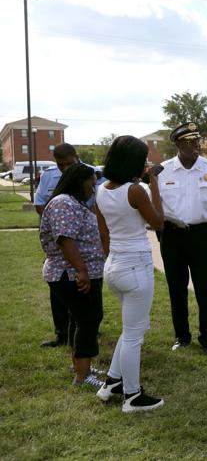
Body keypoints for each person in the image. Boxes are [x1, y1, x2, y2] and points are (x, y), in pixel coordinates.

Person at [95, 136, 166, 412]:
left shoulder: (101, 190)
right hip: (136, 266)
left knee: (131, 330)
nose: (147, 162)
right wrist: (155, 184)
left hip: (115, 264)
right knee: (135, 335)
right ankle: (132, 396)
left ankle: (112, 382)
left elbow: (103, 233)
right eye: (144, 158)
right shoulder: (135, 191)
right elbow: (158, 220)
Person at [158, 122, 207, 354]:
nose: (196, 146)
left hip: (204, 235)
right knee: (176, 288)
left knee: (206, 289)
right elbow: (154, 202)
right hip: (172, 236)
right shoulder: (163, 170)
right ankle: (182, 336)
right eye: (189, 142)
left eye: (197, 141)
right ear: (178, 144)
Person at [38, 163, 105, 389]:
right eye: (91, 184)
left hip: (76, 272)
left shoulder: (73, 203)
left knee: (80, 319)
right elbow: (65, 240)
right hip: (70, 273)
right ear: (80, 181)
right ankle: (82, 376)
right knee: (88, 319)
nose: (93, 189)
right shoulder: (63, 203)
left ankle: (80, 366)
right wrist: (82, 271)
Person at [35, 143, 87, 348]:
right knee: (58, 287)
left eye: (69, 163)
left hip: (82, 241)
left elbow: (96, 205)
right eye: (60, 164)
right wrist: (58, 219)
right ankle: (62, 333)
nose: (65, 168)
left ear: (77, 157)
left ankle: (86, 327)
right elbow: (39, 203)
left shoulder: (88, 173)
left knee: (83, 285)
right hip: (59, 240)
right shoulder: (48, 175)